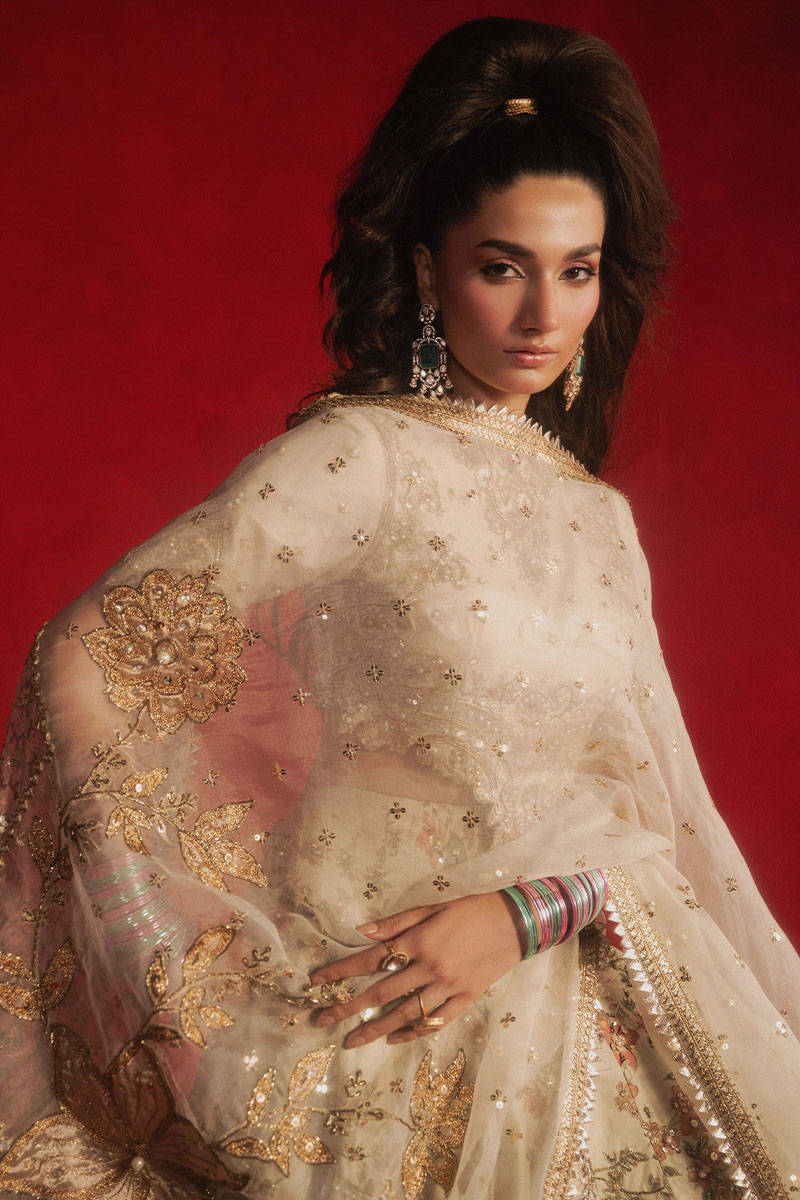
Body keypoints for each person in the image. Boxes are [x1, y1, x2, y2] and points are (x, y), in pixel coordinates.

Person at [0, 16, 797, 1200]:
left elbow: (644, 812)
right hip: (375, 1008)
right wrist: (163, 956)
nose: (541, 315)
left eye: (576, 270)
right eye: (501, 266)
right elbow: (88, 655)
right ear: (428, 270)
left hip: (577, 986)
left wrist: (527, 910)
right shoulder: (362, 459)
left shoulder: (598, 522)